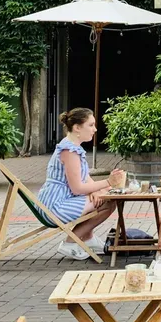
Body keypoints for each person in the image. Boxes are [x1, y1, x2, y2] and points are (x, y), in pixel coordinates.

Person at [38, 108, 120, 259]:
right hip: (56, 206)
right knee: (108, 202)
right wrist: (108, 182)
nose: (95, 129)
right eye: (91, 125)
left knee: (102, 196)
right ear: (77, 127)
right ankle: (70, 242)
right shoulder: (69, 151)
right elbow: (77, 188)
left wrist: (97, 190)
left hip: (57, 200)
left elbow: (85, 177)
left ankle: (88, 239)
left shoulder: (72, 147)